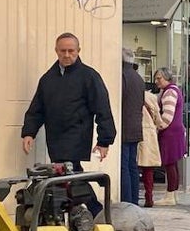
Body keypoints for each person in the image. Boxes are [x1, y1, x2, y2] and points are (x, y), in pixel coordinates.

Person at [20, 33, 117, 216]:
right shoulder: (48, 79)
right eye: (62, 51)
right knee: (65, 178)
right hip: (55, 138)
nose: (66, 55)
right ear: (56, 51)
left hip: (76, 136)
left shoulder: (89, 76)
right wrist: (28, 133)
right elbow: (37, 109)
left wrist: (104, 141)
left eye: (71, 51)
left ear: (78, 51)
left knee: (71, 175)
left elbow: (102, 108)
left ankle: (96, 213)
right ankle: (76, 215)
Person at [152, 68, 187, 206]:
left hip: (170, 133)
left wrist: (158, 127)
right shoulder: (173, 90)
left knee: (169, 164)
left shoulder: (169, 92)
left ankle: (170, 195)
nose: (156, 81)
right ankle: (173, 194)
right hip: (175, 131)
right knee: (172, 164)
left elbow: (167, 116)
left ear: (167, 78)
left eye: (159, 78)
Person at [120, 49, 146, 205]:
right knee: (132, 166)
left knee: (124, 166)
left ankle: (127, 200)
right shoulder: (138, 78)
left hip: (124, 127)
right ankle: (134, 201)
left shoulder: (122, 76)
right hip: (135, 126)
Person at [139, 87, 162, 207]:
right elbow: (158, 118)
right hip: (149, 133)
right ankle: (149, 196)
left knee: (131, 167)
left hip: (134, 131)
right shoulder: (152, 97)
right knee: (148, 169)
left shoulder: (129, 93)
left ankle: (130, 195)